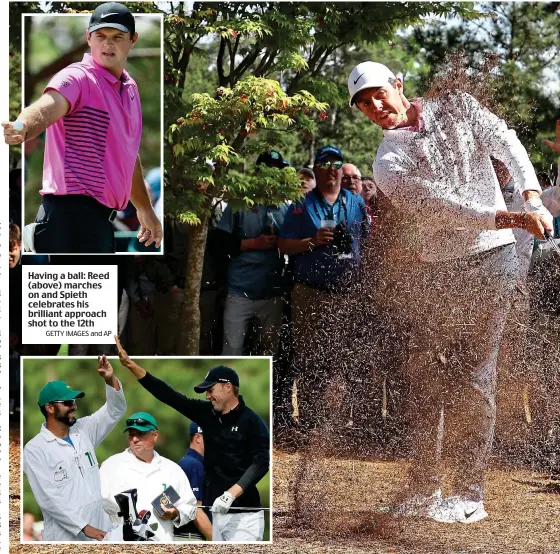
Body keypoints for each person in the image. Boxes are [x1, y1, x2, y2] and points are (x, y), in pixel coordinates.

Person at [347, 60, 554, 523]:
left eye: (379, 94)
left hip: (493, 258)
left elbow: (508, 144)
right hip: (437, 268)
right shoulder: (387, 163)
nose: (375, 107)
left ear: (399, 85)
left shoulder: (457, 106)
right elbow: (444, 208)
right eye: (364, 104)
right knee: (421, 377)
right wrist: (511, 217)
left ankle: (468, 495)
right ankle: (423, 489)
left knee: (473, 374)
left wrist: (532, 198)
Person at [2, 2, 162, 253]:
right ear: (89, 38)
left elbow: (126, 155)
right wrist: (23, 126)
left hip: (98, 223)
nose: (107, 44)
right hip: (68, 220)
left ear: (133, 40)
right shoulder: (77, 77)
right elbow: (47, 106)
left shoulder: (130, 89)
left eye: (117, 37)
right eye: (100, 36)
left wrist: (145, 209)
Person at [114, 336, 269, 542]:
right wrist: (132, 366)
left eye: (211, 390)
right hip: (217, 515)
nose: (207, 396)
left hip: (246, 515)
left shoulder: (252, 421)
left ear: (228, 387)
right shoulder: (206, 417)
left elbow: (262, 463)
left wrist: (231, 494)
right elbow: (169, 396)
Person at [278, 146, 369, 429]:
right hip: (310, 292)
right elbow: (282, 244)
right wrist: (312, 241)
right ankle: (309, 421)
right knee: (310, 358)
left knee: (343, 358)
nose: (331, 169)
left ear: (342, 169)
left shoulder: (356, 202)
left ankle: (337, 424)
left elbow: (365, 242)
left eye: (336, 163)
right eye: (325, 163)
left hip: (348, 292)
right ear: (316, 169)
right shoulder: (301, 204)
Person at [23, 356, 126, 541]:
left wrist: (109, 379)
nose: (74, 406)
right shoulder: (34, 449)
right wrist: (84, 527)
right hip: (65, 538)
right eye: (68, 403)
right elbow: (49, 499)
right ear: (49, 408)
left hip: (101, 533)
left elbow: (115, 410)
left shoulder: (84, 429)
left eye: (74, 401)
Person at [216, 150, 289, 356]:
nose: (273, 176)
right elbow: (219, 243)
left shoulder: (286, 205)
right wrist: (253, 243)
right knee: (232, 349)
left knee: (268, 353)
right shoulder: (239, 202)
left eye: (278, 171)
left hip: (273, 291)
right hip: (240, 291)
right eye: (268, 170)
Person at [99, 412, 198, 542]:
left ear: (155, 435)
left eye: (140, 434)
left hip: (160, 544)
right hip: (121, 544)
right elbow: (96, 507)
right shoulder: (110, 466)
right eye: (131, 434)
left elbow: (190, 506)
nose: (134, 439)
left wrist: (175, 513)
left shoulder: (172, 470)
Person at [175, 422, 212, 541]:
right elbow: (195, 511)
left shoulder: (192, 463)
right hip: (189, 537)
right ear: (198, 438)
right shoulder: (192, 465)